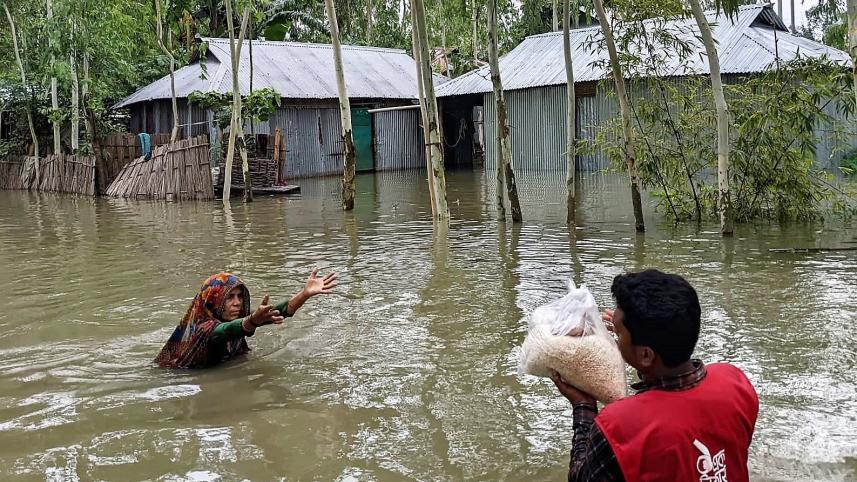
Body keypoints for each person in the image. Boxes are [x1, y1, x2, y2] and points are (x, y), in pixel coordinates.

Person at [551, 269, 758, 482]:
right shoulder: (734, 381)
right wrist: (631, 336)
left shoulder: (619, 426)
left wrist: (583, 406)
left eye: (619, 333)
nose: (615, 335)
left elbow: (581, 478)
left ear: (646, 355)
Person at [155, 269, 337, 368]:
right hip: (181, 375)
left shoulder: (236, 318)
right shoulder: (204, 329)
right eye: (230, 297)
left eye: (240, 297)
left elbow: (281, 311)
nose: (237, 303)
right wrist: (253, 321)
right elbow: (227, 330)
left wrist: (304, 294)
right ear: (213, 301)